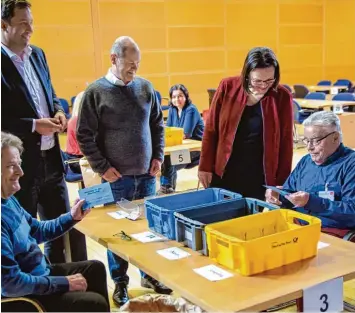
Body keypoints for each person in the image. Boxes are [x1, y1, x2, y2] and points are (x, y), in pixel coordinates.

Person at [76, 36, 171, 306]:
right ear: (113, 59)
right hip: (116, 179)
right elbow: (84, 135)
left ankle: (149, 275)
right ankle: (120, 283)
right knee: (119, 236)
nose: (134, 70)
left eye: (137, 64)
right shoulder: (96, 92)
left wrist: (158, 157)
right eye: (130, 64)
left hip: (146, 175)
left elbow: (157, 126)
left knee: (148, 230)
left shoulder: (146, 88)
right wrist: (102, 168)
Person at [1, 0, 86, 263]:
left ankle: (64, 289)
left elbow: (50, 94)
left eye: (32, 22)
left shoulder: (38, 54)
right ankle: (36, 293)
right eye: (23, 23)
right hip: (20, 166)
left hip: (52, 160)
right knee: (25, 238)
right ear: (3, 25)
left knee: (62, 231)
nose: (30, 29)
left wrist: (59, 111)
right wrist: (34, 125)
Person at [1, 132, 109, 312]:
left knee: (94, 269)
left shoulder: (7, 200)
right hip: (25, 297)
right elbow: (10, 284)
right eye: (11, 166)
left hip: (38, 273)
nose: (21, 172)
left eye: (19, 164)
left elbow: (36, 230)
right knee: (93, 303)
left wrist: (71, 217)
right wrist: (62, 283)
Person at [198, 47, 293, 200]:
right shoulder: (227, 86)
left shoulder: (282, 96)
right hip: (224, 170)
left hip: (260, 174)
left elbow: (286, 143)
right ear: (246, 75)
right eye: (257, 81)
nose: (263, 86)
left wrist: (280, 184)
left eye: (269, 80)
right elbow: (211, 129)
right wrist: (204, 167)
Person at [265, 111, 355, 230]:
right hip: (297, 226)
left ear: (335, 137)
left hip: (331, 232)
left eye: (316, 140)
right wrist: (278, 197)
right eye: (306, 140)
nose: (309, 147)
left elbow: (352, 212)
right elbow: (290, 193)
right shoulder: (306, 161)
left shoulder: (351, 164)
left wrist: (311, 201)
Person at [159, 84, 204, 194]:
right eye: (174, 97)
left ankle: (167, 189)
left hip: (196, 150)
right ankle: (165, 188)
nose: (176, 99)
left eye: (180, 96)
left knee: (170, 160)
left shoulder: (191, 109)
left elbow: (186, 133)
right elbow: (168, 130)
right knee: (165, 157)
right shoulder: (172, 110)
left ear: (186, 96)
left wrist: (172, 135)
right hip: (182, 147)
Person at [65, 91, 85, 174]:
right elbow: (87, 147)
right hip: (77, 161)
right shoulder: (79, 120)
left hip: (79, 157)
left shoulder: (75, 119)